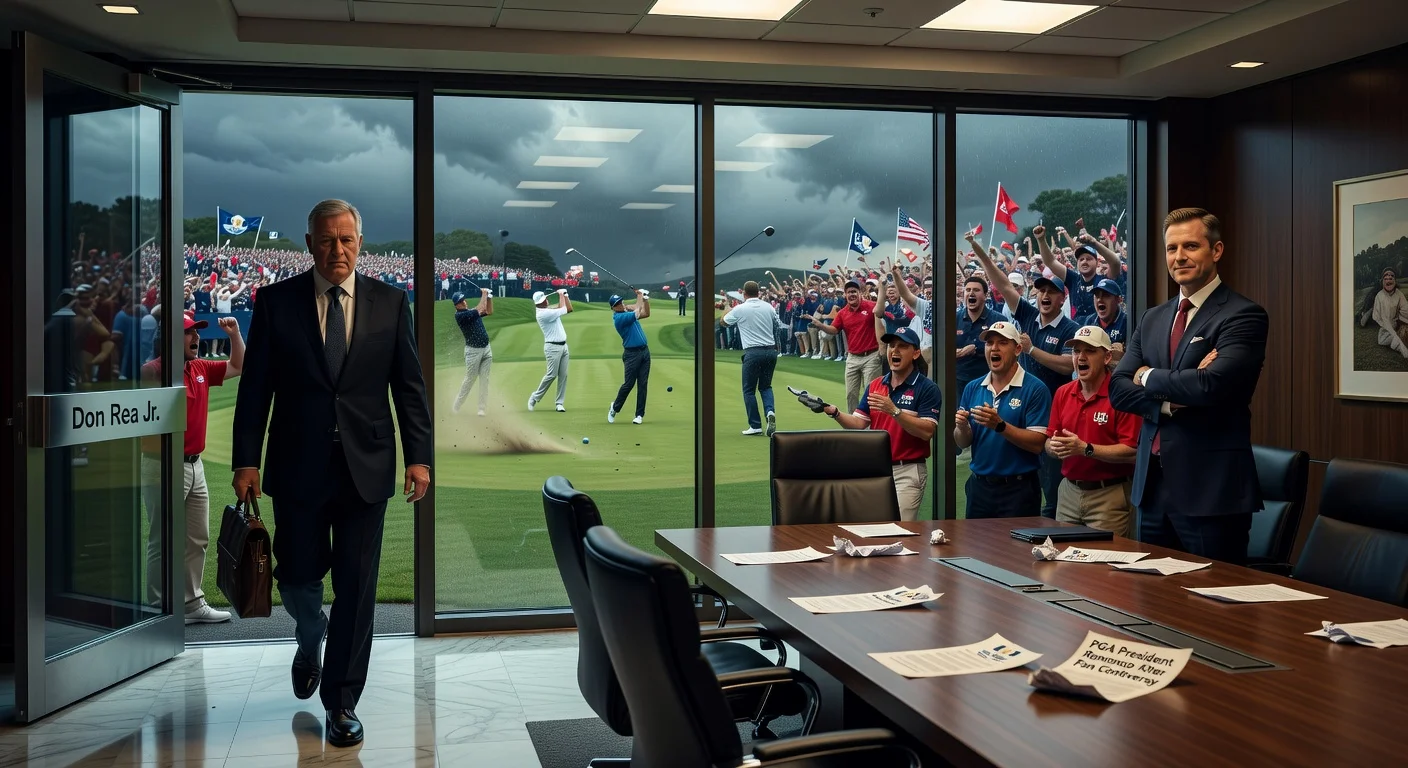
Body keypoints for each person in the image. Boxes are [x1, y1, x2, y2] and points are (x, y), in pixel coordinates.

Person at [232, 199, 432, 748]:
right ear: (309, 243)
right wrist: (245, 460)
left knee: (357, 587)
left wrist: (420, 456)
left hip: (366, 471)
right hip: (296, 468)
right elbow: (255, 392)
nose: (337, 250)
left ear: (360, 242)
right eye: (327, 240)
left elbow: (409, 388)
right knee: (297, 575)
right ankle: (307, 633)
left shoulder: (391, 303)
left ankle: (341, 699)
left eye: (346, 240)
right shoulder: (275, 302)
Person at [1110, 207, 1268, 565]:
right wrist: (1169, 402)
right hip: (1151, 490)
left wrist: (1147, 376)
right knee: (1150, 607)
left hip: (1210, 494)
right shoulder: (1153, 318)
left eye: (1191, 246)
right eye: (1171, 248)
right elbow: (1118, 388)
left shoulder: (1243, 315)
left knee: (1211, 609)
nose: (1179, 257)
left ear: (1216, 251)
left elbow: (1211, 385)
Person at [141, 312, 242, 624]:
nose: (196, 338)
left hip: (194, 465)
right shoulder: (152, 371)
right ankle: (159, 609)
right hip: (163, 464)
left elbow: (239, 366)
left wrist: (234, 335)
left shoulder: (198, 367)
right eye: (188, 333)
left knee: (197, 537)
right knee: (162, 539)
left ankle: (191, 604)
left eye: (196, 333)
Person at [971, 234, 1077, 518]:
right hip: (1024, 410)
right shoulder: (1029, 315)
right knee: (1019, 473)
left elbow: (1068, 366)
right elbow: (1003, 284)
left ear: (1061, 297)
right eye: (1040, 290)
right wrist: (980, 253)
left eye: (1051, 292)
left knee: (1052, 486)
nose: (1044, 296)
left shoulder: (1069, 328)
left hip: (1055, 415)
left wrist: (1032, 351)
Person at [817, 325, 940, 521]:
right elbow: (858, 423)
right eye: (891, 346)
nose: (894, 351)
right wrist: (834, 412)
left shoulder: (927, 388)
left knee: (901, 530)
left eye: (902, 346)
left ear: (916, 353)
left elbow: (926, 432)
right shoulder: (876, 385)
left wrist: (894, 411)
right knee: (873, 527)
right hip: (877, 468)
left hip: (908, 470)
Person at [1045, 326, 1139, 537]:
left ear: (1106, 357)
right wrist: (1054, 447)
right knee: (1062, 562)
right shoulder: (1063, 393)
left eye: (1089, 350)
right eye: (1077, 351)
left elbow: (1133, 451)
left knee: (1105, 565)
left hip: (1109, 494)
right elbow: (1049, 441)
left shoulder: (1122, 395)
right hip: (1069, 491)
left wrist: (1085, 449)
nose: (1081, 357)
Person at [954, 321, 1051, 518]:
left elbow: (1037, 444)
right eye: (989, 343)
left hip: (1019, 489)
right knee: (975, 548)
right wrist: (962, 427)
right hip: (979, 487)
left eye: (1002, 342)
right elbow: (963, 442)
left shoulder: (1035, 388)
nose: (994, 348)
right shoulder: (973, 387)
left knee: (1016, 549)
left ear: (1017, 349)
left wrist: (999, 425)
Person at [719, 280, 787, 436]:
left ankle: (755, 425)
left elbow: (723, 323)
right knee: (765, 386)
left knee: (749, 390)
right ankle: (770, 412)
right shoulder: (768, 307)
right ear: (758, 292)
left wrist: (726, 308)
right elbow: (777, 325)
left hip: (753, 352)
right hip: (770, 351)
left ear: (744, 293)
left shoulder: (740, 309)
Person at [806, 280, 882, 413]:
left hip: (871, 356)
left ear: (860, 293)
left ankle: (872, 427)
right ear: (845, 295)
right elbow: (834, 330)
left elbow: (882, 316)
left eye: (854, 291)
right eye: (848, 292)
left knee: (871, 394)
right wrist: (820, 325)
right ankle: (854, 426)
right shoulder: (842, 313)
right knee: (851, 394)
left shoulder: (872, 307)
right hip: (852, 357)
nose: (851, 294)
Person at [951, 275, 1000, 395]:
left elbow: (1003, 349)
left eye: (976, 290)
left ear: (985, 296)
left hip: (987, 382)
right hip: (956, 382)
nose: (971, 293)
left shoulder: (997, 320)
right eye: (968, 290)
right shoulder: (953, 319)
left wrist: (976, 348)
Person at [608, 289, 651, 425]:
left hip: (645, 352)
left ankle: (639, 415)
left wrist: (645, 300)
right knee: (629, 384)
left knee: (643, 384)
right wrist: (639, 296)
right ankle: (615, 407)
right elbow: (637, 311)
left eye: (621, 301)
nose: (621, 304)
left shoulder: (626, 312)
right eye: (618, 303)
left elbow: (646, 313)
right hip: (631, 354)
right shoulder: (619, 318)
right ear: (613, 308)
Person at [528, 288, 573, 412]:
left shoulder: (547, 310)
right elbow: (564, 309)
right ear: (539, 303)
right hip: (552, 347)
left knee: (563, 375)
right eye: (544, 300)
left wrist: (566, 295)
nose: (546, 300)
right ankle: (535, 397)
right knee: (551, 375)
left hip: (564, 346)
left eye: (545, 298)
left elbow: (568, 308)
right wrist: (560, 294)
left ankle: (559, 403)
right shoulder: (543, 314)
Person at [451, 288, 493, 416]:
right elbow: (480, 308)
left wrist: (489, 298)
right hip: (473, 352)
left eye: (464, 299)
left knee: (484, 379)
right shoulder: (460, 315)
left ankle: (481, 408)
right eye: (461, 301)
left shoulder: (470, 311)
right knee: (470, 379)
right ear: (457, 305)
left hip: (486, 348)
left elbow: (489, 311)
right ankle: (456, 406)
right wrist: (484, 294)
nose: (464, 302)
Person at [1358, 266, 1408, 358]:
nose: (1389, 278)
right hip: (1374, 315)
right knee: (1365, 322)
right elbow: (1370, 319)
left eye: (1391, 276)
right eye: (1386, 276)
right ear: (1382, 280)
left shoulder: (1398, 294)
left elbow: (1405, 310)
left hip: (1390, 320)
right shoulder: (1376, 295)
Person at [1077, 278, 1129, 364]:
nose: (1100, 299)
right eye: (1097, 295)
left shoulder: (1126, 322)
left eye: (1106, 295)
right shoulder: (1090, 321)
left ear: (1118, 300)